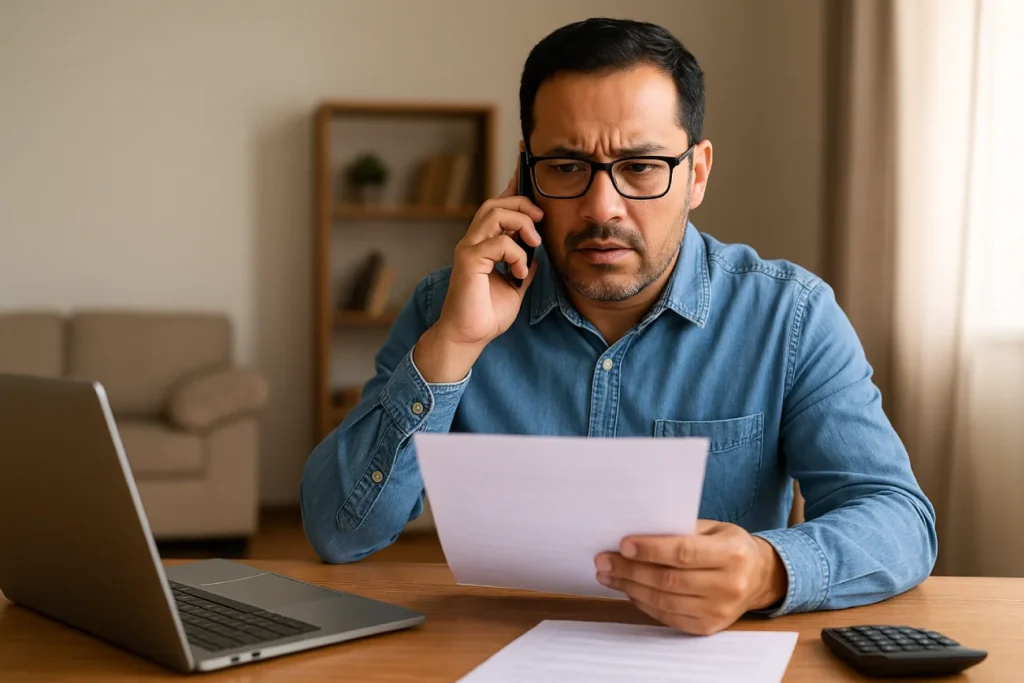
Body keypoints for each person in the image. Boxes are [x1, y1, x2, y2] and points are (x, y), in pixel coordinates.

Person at [300, 17, 937, 635]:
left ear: (697, 173)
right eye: (567, 166)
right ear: (526, 174)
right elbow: (338, 532)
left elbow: (899, 519)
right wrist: (454, 346)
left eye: (640, 167)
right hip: (495, 652)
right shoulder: (449, 307)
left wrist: (768, 571)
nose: (602, 207)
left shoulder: (789, 316)